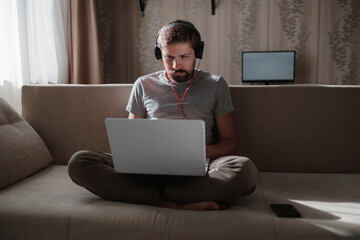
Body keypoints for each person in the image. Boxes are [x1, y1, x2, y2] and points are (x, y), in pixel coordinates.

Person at [68, 20, 258, 211]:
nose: (176, 65)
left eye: (184, 56)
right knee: (80, 161)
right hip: (147, 168)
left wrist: (200, 152)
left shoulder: (215, 85)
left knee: (245, 170)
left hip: (198, 170)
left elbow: (230, 141)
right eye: (169, 57)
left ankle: (150, 195)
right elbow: (131, 139)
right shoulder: (143, 84)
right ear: (159, 54)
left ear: (197, 53)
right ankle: (172, 201)